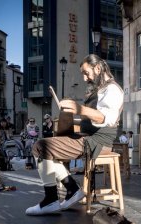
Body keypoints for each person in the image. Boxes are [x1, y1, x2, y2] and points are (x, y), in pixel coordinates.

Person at [26, 54, 124, 215]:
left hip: (97, 142)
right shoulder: (101, 89)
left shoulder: (112, 89)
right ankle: (72, 190)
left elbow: (106, 118)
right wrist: (71, 118)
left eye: (86, 73)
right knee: (44, 146)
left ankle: (53, 198)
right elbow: (91, 119)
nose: (85, 78)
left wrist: (78, 109)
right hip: (88, 136)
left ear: (98, 68)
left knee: (40, 146)